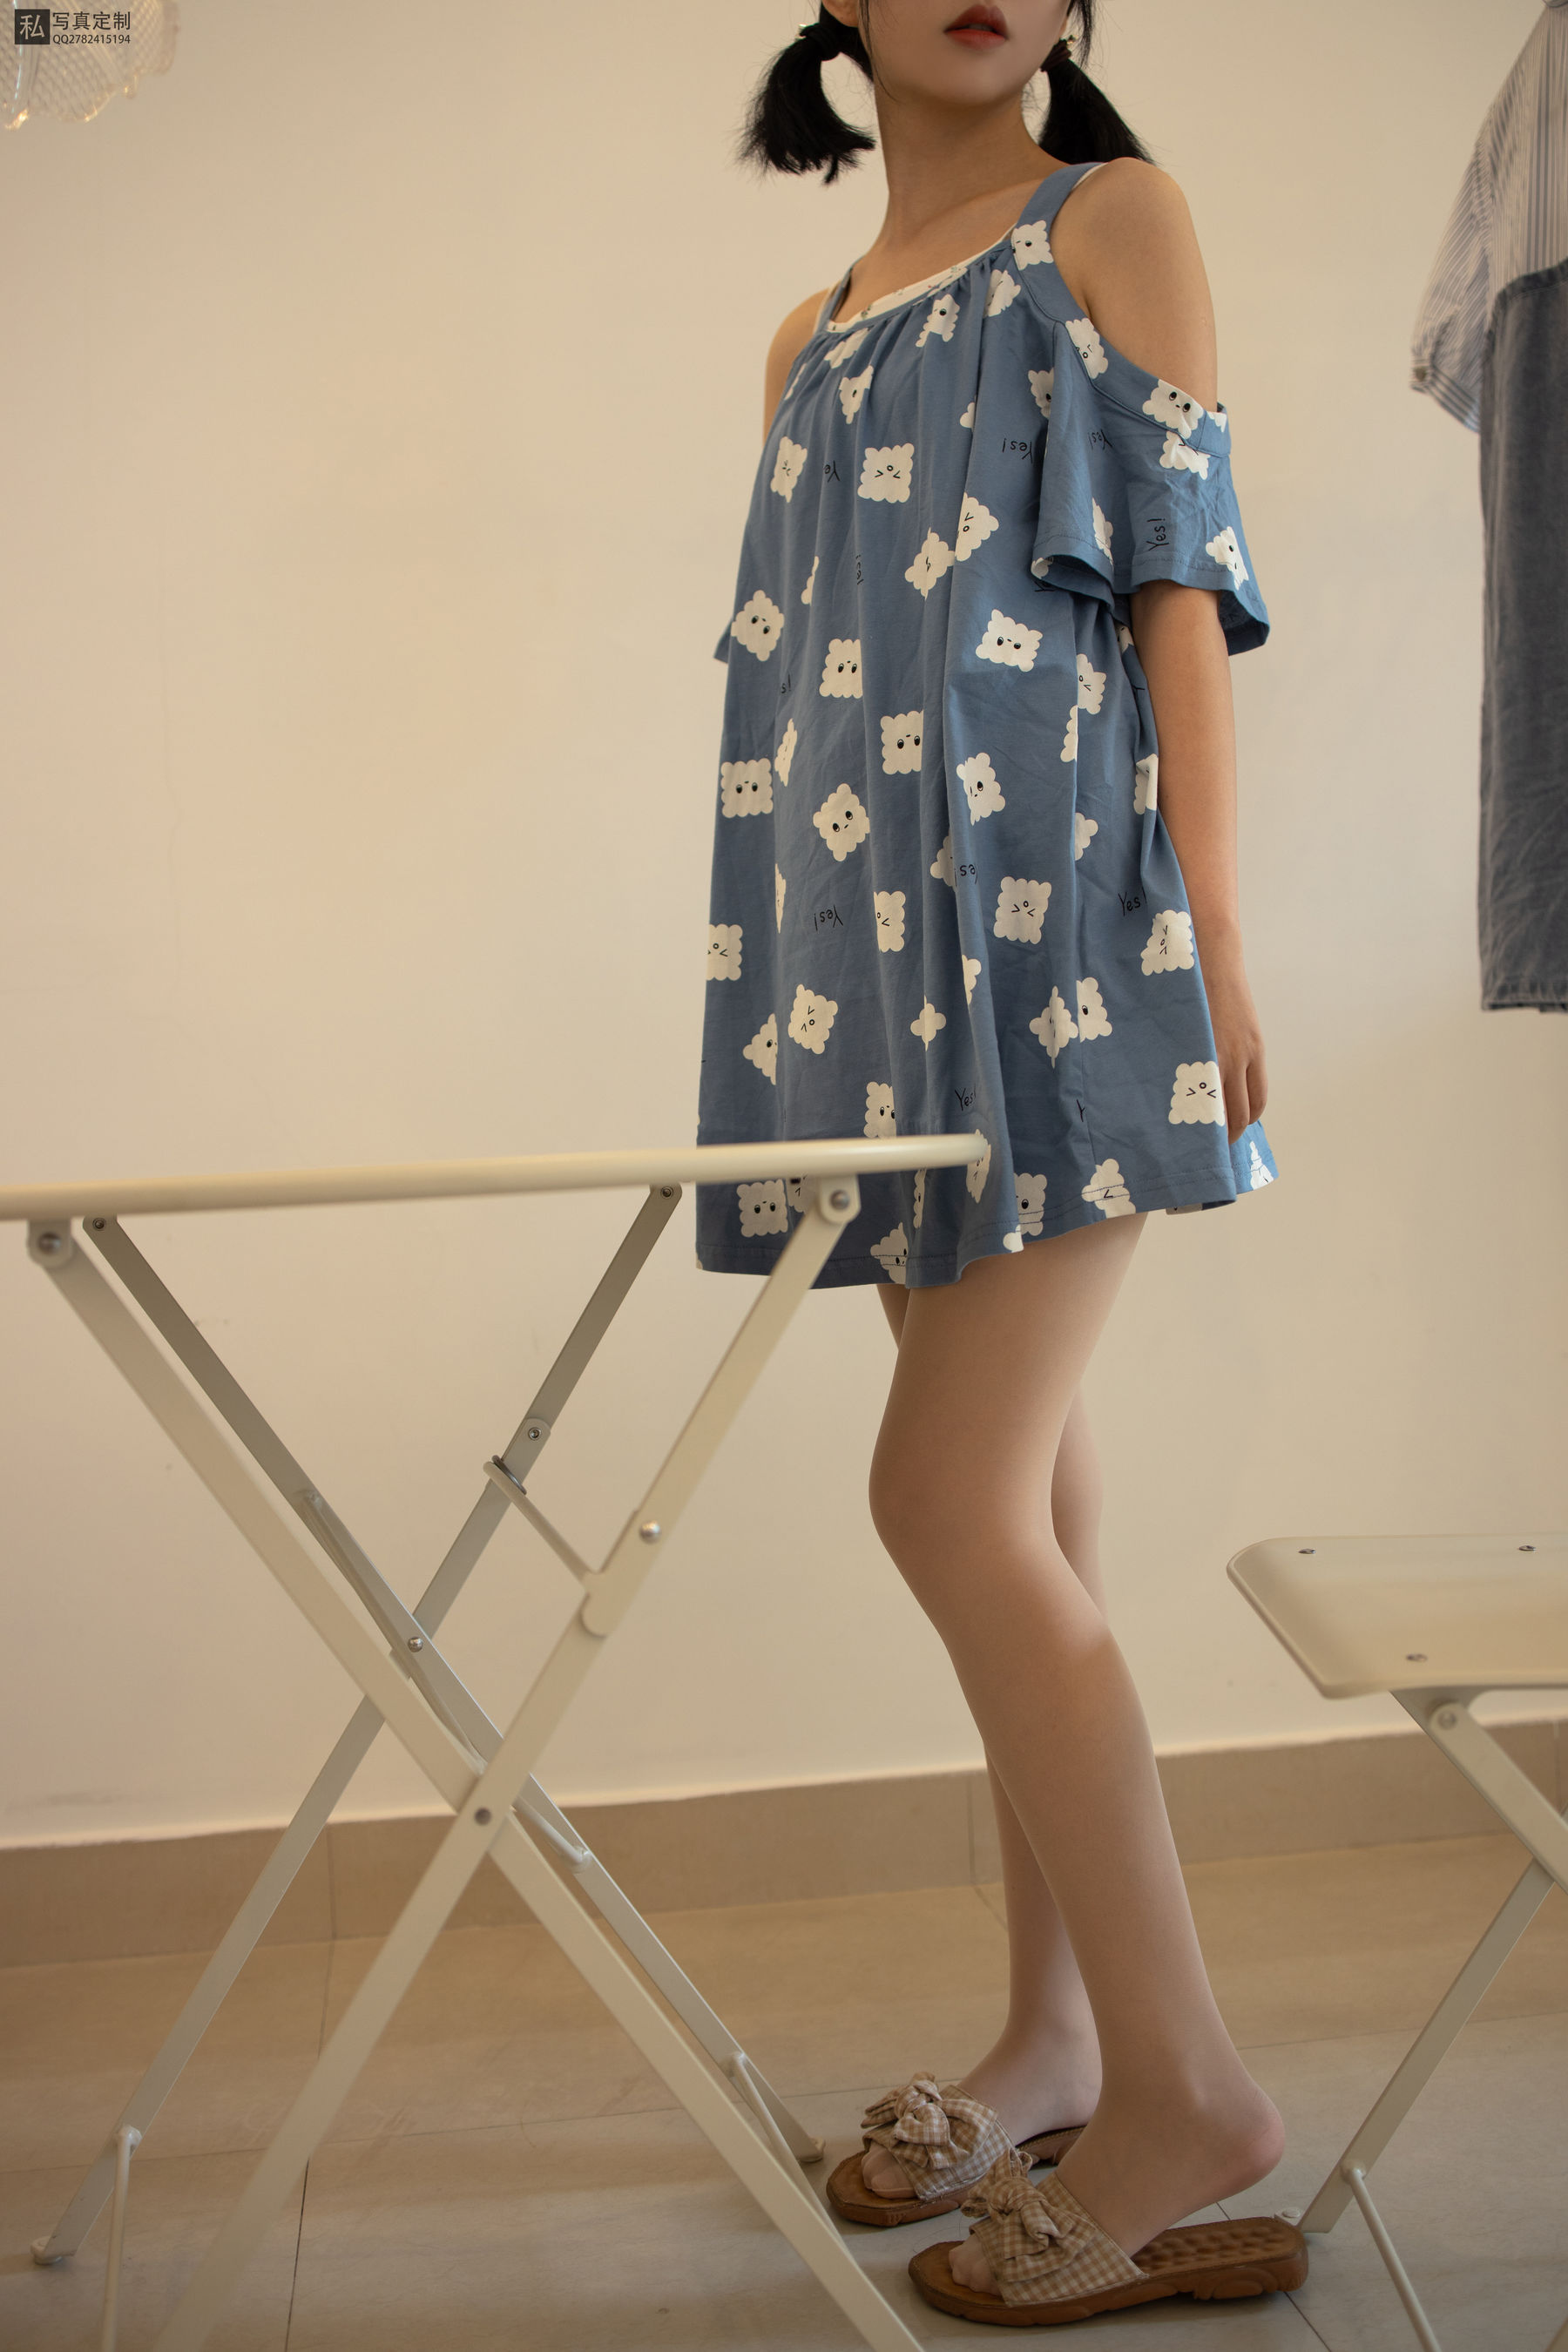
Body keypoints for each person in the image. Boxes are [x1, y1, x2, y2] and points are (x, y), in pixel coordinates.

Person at [695, 1, 1305, 2323]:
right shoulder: (811, 334)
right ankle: (1054, 2035)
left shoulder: (1112, 219)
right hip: (876, 974)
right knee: (1024, 1494)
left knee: (942, 1499)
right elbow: (818, 683)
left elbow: (1179, 587)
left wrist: (1212, 928)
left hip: (1069, 945)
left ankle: (1187, 2089)